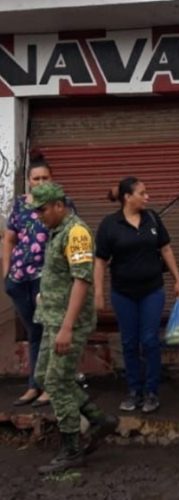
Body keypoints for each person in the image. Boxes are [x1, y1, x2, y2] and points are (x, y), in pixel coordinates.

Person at [29, 183, 117, 474]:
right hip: (52, 319)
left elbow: (82, 281)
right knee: (44, 376)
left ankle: (71, 449)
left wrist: (67, 328)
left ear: (58, 205)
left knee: (57, 383)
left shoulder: (76, 232)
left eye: (42, 209)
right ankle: (97, 420)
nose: (39, 215)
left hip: (69, 324)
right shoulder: (57, 231)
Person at [95, 177, 179, 413]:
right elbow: (100, 261)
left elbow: (165, 248)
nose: (147, 196)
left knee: (150, 340)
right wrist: (98, 292)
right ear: (127, 197)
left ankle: (152, 392)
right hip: (123, 294)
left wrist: (177, 278)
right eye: (142, 193)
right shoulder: (109, 225)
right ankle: (134, 391)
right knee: (129, 342)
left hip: (152, 291)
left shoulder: (152, 218)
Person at [2, 155, 55, 408]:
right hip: (20, 279)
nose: (41, 182)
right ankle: (34, 385)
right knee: (34, 332)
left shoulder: (60, 204)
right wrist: (7, 272)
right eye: (36, 178)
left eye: (45, 177)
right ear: (29, 181)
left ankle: (50, 386)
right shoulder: (20, 205)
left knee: (49, 332)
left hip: (47, 279)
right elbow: (9, 240)